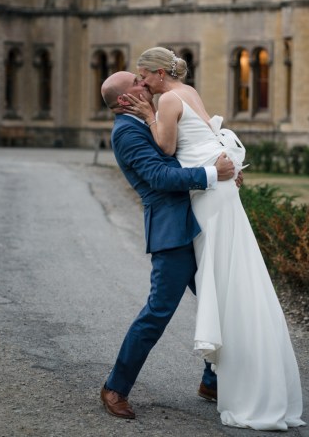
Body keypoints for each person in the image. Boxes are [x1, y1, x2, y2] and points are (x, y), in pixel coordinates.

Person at [124, 47, 306, 431]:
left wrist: (150, 116)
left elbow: (168, 150)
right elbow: (208, 140)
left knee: (222, 283)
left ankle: (234, 378)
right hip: (218, 189)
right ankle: (217, 378)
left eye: (143, 77)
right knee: (228, 279)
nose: (141, 84)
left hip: (207, 194)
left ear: (159, 73)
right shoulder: (189, 92)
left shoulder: (169, 99)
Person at [99, 71, 235, 420]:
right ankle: (115, 387)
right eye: (136, 83)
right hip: (172, 231)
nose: (144, 84)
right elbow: (160, 177)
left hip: (198, 222)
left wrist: (225, 166)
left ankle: (212, 381)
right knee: (158, 312)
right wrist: (210, 175)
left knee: (216, 304)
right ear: (124, 100)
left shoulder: (148, 118)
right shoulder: (126, 133)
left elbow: (182, 150)